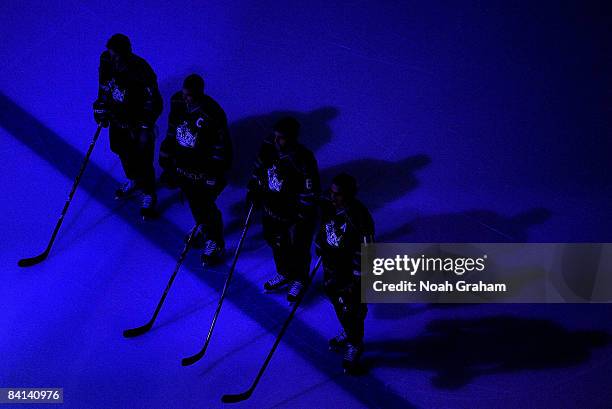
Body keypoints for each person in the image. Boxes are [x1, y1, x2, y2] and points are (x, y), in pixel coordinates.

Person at [159, 74, 232, 265]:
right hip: (184, 166)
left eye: (190, 96)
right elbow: (173, 129)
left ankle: (215, 242)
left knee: (204, 205)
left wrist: (214, 173)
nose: (186, 99)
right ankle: (204, 228)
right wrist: (166, 153)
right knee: (194, 202)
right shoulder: (178, 101)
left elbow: (221, 147)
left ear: (200, 93)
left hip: (203, 170)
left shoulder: (213, 113)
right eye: (184, 94)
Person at [247, 117, 320, 302]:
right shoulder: (268, 149)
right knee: (276, 243)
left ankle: (300, 279)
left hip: (294, 215)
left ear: (293, 138)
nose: (276, 141)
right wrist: (254, 190)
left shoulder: (303, 158)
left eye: (282, 138)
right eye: (275, 136)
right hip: (272, 209)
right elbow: (258, 172)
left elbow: (310, 189)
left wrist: (300, 214)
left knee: (298, 248)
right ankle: (284, 272)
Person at [93, 33, 162, 220]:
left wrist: (143, 126)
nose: (113, 60)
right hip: (118, 118)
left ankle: (148, 192)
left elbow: (155, 102)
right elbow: (104, 86)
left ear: (127, 54)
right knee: (119, 148)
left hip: (137, 124)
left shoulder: (142, 72)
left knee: (143, 158)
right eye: (111, 55)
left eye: (117, 56)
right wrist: (100, 106)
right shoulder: (106, 60)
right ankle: (133, 179)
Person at [315, 173, 374, 374]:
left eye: (338, 195)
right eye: (331, 193)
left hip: (351, 275)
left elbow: (367, 251)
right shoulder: (330, 206)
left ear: (349, 195)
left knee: (352, 309)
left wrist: (357, 280)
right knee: (339, 304)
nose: (333, 197)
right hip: (332, 269)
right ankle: (350, 332)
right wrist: (320, 243)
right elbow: (324, 227)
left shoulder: (359, 217)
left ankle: (355, 343)